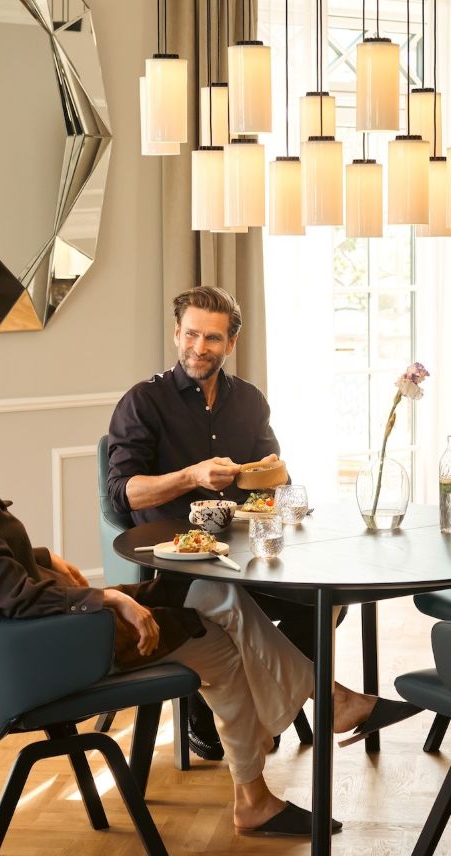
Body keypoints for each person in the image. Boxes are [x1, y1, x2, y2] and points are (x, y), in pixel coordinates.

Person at [0, 350, 418, 837]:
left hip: (34, 637)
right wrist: (108, 600)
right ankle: (275, 771)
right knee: (223, 651)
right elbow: (12, 597)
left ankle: (327, 706)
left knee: (211, 591)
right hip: (57, 643)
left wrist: (43, 557)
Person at [107, 286, 325, 761]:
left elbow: (273, 478)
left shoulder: (249, 400)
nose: (199, 347)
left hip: (241, 557)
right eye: (191, 334)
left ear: (231, 343)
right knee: (229, 598)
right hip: (175, 566)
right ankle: (222, 714)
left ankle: (257, 712)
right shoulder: (143, 401)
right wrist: (192, 476)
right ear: (176, 334)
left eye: (212, 338)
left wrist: (272, 476)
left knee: (323, 602)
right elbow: (123, 492)